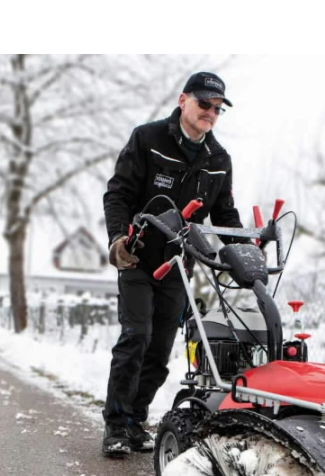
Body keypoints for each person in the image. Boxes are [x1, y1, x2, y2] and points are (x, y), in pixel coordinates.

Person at [101, 71, 242, 456]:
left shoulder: (218, 160)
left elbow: (225, 216)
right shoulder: (148, 140)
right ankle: (115, 425)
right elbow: (118, 195)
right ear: (183, 100)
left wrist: (244, 253)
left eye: (217, 109)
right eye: (204, 104)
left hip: (179, 263)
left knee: (161, 348)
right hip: (138, 257)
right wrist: (117, 240)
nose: (210, 113)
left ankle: (134, 419)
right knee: (136, 337)